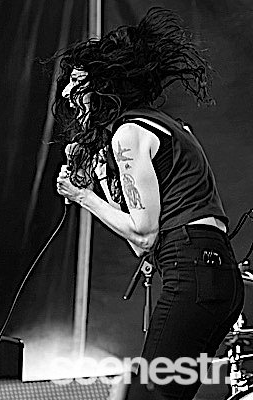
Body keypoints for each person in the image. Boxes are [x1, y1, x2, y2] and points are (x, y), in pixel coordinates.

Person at [52, 7, 244, 400]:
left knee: (148, 395)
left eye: (76, 84)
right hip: (214, 275)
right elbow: (141, 243)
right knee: (169, 394)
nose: (68, 94)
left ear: (103, 88)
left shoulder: (128, 133)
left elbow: (143, 234)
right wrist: (99, 176)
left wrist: (82, 196)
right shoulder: (163, 125)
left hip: (191, 270)